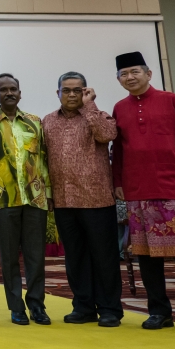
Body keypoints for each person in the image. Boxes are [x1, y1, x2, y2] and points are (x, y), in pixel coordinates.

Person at [112, 51, 175, 334]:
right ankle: (159, 312)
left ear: (148, 74)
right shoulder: (119, 107)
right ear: (119, 79)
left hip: (173, 188)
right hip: (137, 190)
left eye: (134, 72)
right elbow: (117, 151)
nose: (129, 78)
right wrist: (118, 180)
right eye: (123, 74)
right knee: (146, 255)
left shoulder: (172, 101)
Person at [41, 72, 122, 327]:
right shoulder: (47, 122)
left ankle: (109, 308)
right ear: (58, 93)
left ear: (86, 92)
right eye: (67, 90)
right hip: (64, 201)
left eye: (79, 90)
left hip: (96, 199)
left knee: (104, 256)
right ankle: (83, 306)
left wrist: (90, 106)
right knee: (75, 257)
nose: (73, 95)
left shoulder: (98, 115)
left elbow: (108, 135)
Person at [0, 73, 52, 326]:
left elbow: (43, 159)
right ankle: (16, 307)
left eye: (13, 89)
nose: (9, 93)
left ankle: (37, 306)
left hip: (34, 197)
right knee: (8, 257)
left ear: (20, 93)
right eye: (3, 89)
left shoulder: (34, 122)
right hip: (3, 198)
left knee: (35, 256)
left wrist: (47, 193)